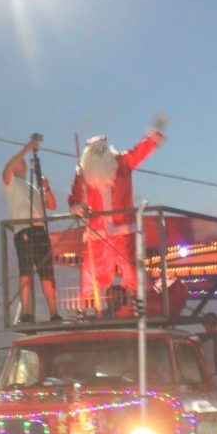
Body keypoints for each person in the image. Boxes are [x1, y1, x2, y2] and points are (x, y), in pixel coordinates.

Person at [69, 121, 165, 308]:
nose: (99, 154)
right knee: (90, 273)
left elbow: (139, 151)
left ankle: (139, 310)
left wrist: (153, 138)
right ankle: (89, 313)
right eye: (94, 151)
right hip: (97, 234)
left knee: (133, 272)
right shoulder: (82, 175)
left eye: (101, 150)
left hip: (123, 231)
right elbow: (74, 198)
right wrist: (77, 207)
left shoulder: (122, 162)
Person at [2, 137, 61, 323]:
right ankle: (26, 314)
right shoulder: (10, 183)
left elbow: (51, 205)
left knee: (47, 274)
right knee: (26, 272)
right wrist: (27, 147)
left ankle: (54, 313)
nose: (23, 162)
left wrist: (47, 188)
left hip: (40, 231)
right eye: (20, 161)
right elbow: (7, 169)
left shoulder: (33, 188)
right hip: (24, 230)